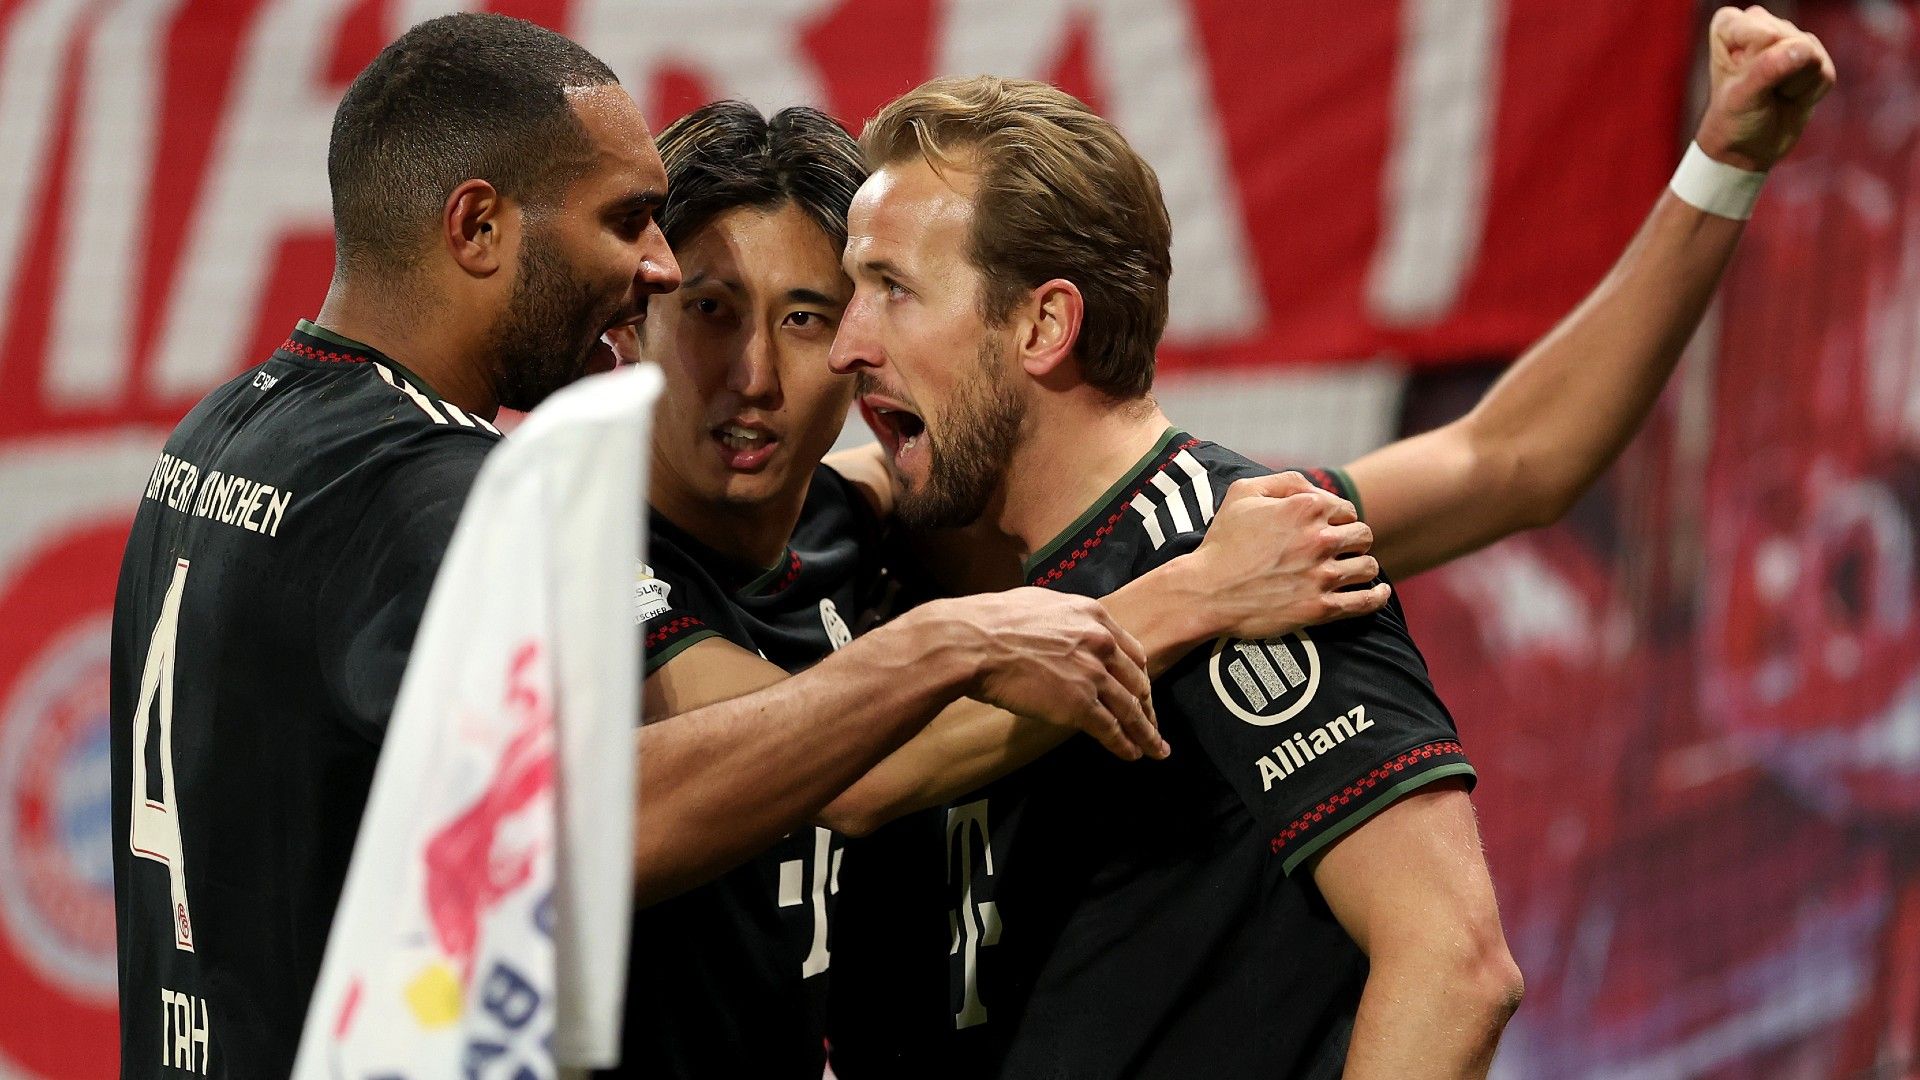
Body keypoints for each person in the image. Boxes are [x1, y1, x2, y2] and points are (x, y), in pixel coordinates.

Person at [108, 15, 1165, 1077]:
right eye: (627, 224)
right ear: (478, 228)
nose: (651, 270)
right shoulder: (447, 500)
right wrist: (942, 648)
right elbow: (597, 823)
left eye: (808, 317)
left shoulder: (233, 432)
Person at [819, 8, 1836, 1076]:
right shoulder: (1099, 559)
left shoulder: (1264, 554)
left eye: (891, 289)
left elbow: (1452, 965)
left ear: (1042, 327)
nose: (849, 344)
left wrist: (1721, 164)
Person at [611, 100, 1387, 1080]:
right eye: (711, 310)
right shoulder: (566, 555)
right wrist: (1192, 597)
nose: (756, 374)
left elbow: (1493, 466)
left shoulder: (874, 518)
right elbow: (847, 768)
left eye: (807, 315)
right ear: (634, 322)